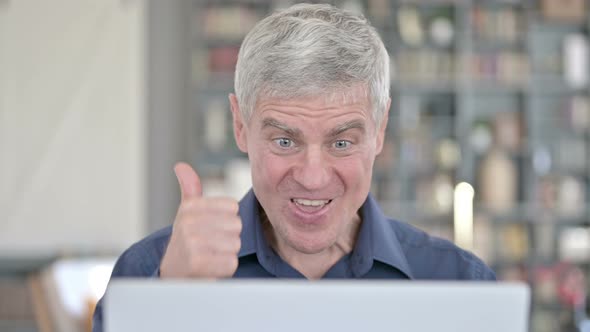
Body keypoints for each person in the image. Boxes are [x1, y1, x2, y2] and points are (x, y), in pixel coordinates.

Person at [92, 3, 495, 331]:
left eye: (341, 142)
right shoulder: (149, 271)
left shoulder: (460, 282)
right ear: (240, 125)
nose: (313, 177)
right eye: (285, 141)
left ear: (380, 130)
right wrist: (168, 303)